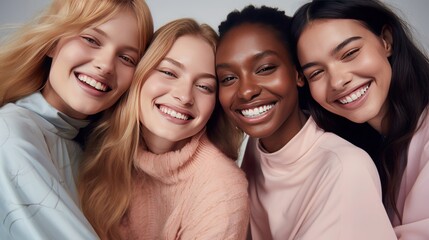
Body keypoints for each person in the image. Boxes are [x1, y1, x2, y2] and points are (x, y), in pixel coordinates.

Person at [216, 5, 396, 239]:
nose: (246, 91)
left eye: (265, 68)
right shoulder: (257, 147)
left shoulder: (345, 166)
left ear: (298, 74)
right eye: (228, 78)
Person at [78, 18, 250, 239]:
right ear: (139, 74)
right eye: (169, 73)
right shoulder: (94, 141)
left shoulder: (222, 189)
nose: (185, 96)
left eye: (204, 86)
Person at [0, 0, 153, 239]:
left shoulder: (96, 150)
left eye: (126, 58)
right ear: (52, 42)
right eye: (91, 40)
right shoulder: (10, 132)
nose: (105, 65)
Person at [290, 0, 429, 239]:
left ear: (386, 40)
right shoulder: (348, 150)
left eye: (350, 53)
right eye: (316, 72)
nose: (337, 81)